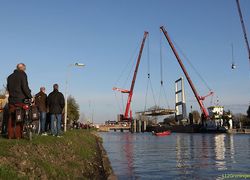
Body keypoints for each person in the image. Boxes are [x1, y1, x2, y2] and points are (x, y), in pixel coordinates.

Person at [7, 63, 32, 139]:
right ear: (22, 68)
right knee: (20, 116)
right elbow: (25, 87)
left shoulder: (9, 77)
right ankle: (18, 135)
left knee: (11, 117)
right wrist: (30, 96)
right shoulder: (23, 74)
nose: (25, 70)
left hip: (11, 100)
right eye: (24, 69)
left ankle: (10, 135)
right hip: (20, 99)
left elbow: (8, 88)